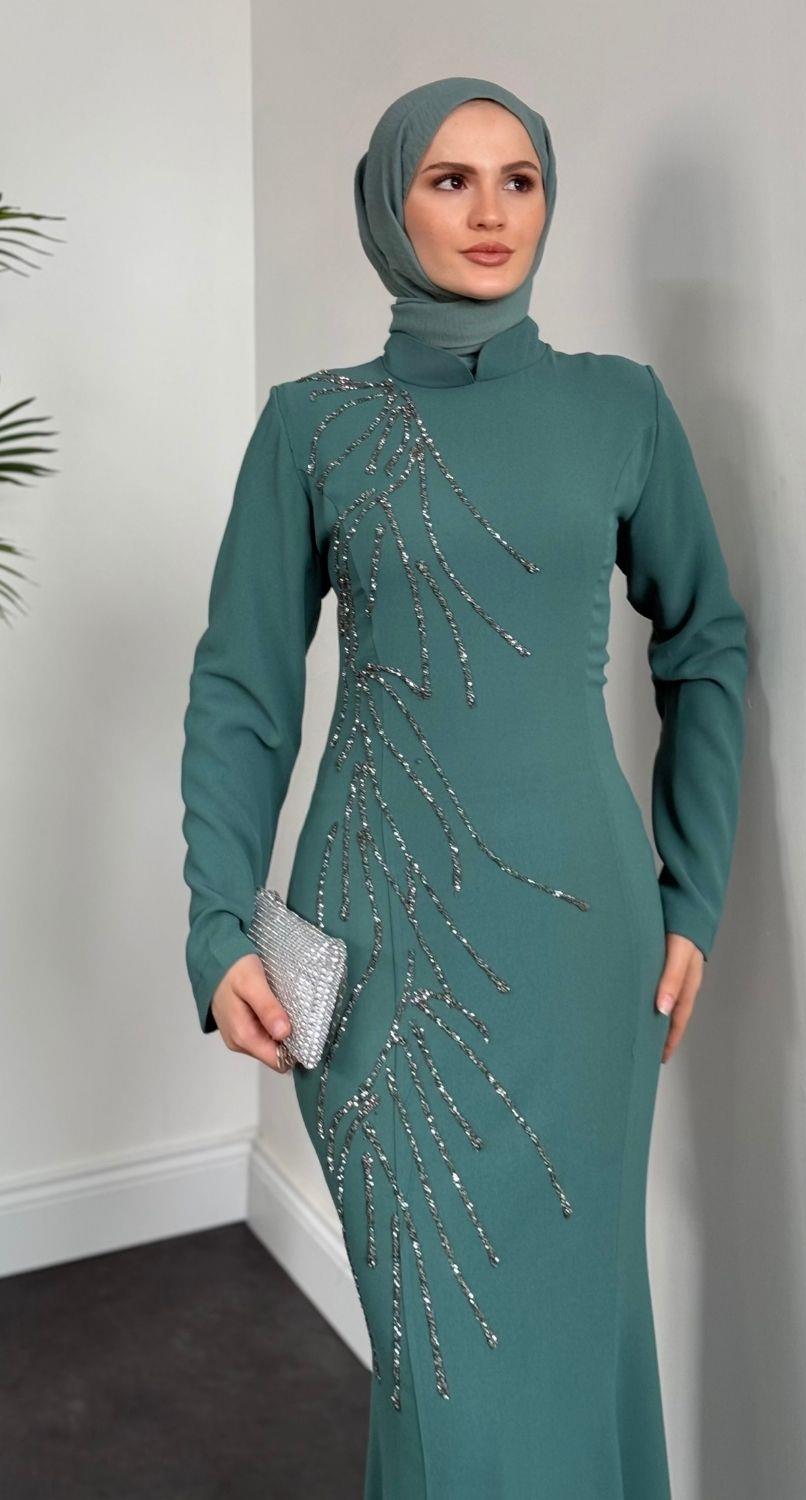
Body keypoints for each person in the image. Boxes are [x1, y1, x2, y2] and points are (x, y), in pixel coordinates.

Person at [180, 75, 749, 1500]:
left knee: (578, 1332)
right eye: (450, 179)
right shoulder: (311, 427)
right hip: (376, 953)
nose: (491, 211)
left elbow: (706, 643)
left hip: (587, 956)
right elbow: (244, 691)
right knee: (437, 1370)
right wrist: (217, 925)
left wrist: (694, 890)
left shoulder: (621, 408)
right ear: (390, 204)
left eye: (519, 179)